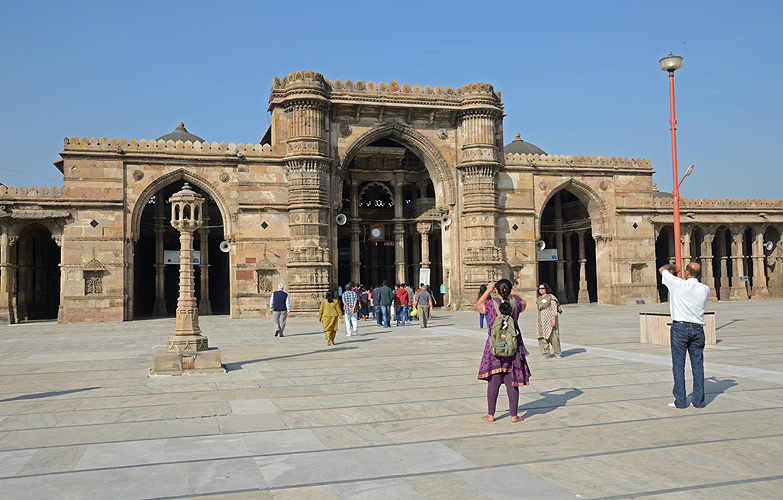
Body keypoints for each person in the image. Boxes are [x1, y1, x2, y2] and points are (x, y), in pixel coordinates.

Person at [475, 279, 530, 423]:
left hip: (494, 348)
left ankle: (490, 415)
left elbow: (478, 306)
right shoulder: (516, 305)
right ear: (509, 290)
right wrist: (514, 293)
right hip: (513, 348)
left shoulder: (490, 305)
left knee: (494, 381)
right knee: (512, 382)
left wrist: (488, 290)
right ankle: (514, 416)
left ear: (496, 291)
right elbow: (524, 302)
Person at [659, 262, 711, 409]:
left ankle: (681, 401)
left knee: (678, 366)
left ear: (687, 272)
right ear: (700, 275)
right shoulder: (705, 289)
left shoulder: (678, 284)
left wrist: (673, 268)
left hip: (680, 329)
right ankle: (698, 401)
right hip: (698, 329)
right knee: (698, 366)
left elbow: (662, 269)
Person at [536, 283, 562, 359]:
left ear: (546, 289)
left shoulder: (551, 297)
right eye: (539, 288)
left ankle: (557, 353)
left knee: (554, 337)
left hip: (550, 319)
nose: (540, 290)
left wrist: (553, 319)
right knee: (542, 337)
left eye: (542, 288)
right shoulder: (539, 299)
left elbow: (554, 309)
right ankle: (546, 353)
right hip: (541, 320)